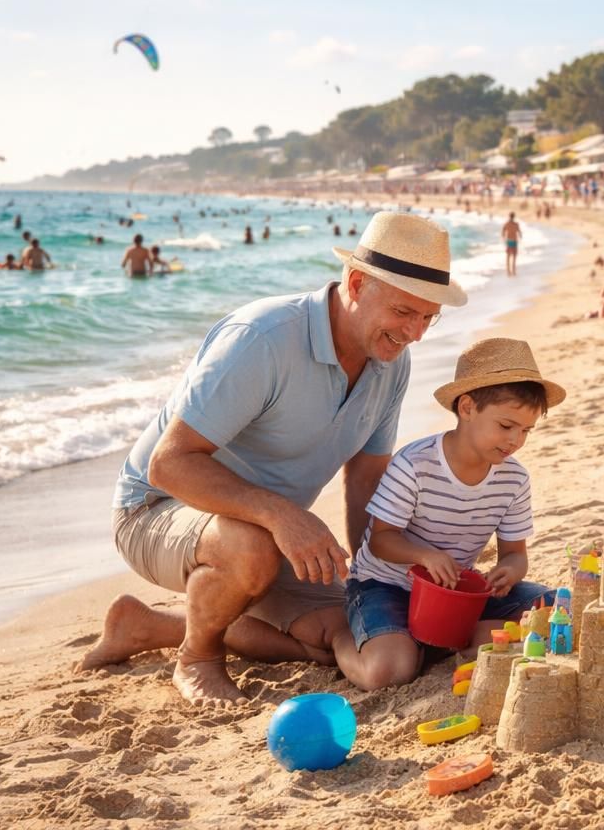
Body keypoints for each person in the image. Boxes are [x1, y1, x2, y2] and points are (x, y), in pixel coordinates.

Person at [79, 214, 468, 705]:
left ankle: (147, 626)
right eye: (403, 312)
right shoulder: (262, 339)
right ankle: (197, 657)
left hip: (267, 530)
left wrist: (373, 576)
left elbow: (366, 477)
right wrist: (281, 515)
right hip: (154, 511)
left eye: (427, 318)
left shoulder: (390, 361)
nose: (414, 332)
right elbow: (169, 464)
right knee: (252, 550)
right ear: (356, 283)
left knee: (343, 637)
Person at [333, 338, 564, 690]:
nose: (516, 440)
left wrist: (508, 573)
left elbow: (516, 555)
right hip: (387, 585)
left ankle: (440, 638)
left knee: (560, 607)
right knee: (388, 673)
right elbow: (380, 541)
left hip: (454, 591)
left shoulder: (514, 478)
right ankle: (341, 636)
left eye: (526, 431)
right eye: (506, 426)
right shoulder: (415, 464)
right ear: (468, 407)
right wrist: (424, 555)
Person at [502, 212, 522, 277]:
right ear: (514, 217)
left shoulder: (507, 224)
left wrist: (504, 238)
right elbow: (519, 232)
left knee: (508, 257)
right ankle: (513, 271)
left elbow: (503, 231)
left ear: (509, 216)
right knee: (514, 257)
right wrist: (520, 236)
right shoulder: (516, 224)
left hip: (509, 241)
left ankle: (508, 271)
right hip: (514, 241)